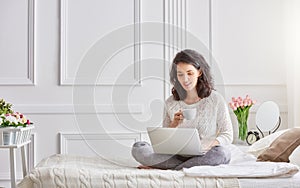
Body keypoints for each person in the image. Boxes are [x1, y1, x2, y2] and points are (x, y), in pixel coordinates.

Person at [131, 49, 233, 170]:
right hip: (176, 156)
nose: (185, 79)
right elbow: (165, 141)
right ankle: (183, 167)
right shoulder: (171, 102)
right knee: (139, 148)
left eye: (189, 73)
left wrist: (209, 144)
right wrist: (174, 124)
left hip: (204, 155)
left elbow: (227, 134)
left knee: (222, 154)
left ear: (199, 72)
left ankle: (172, 169)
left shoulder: (215, 99)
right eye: (180, 74)